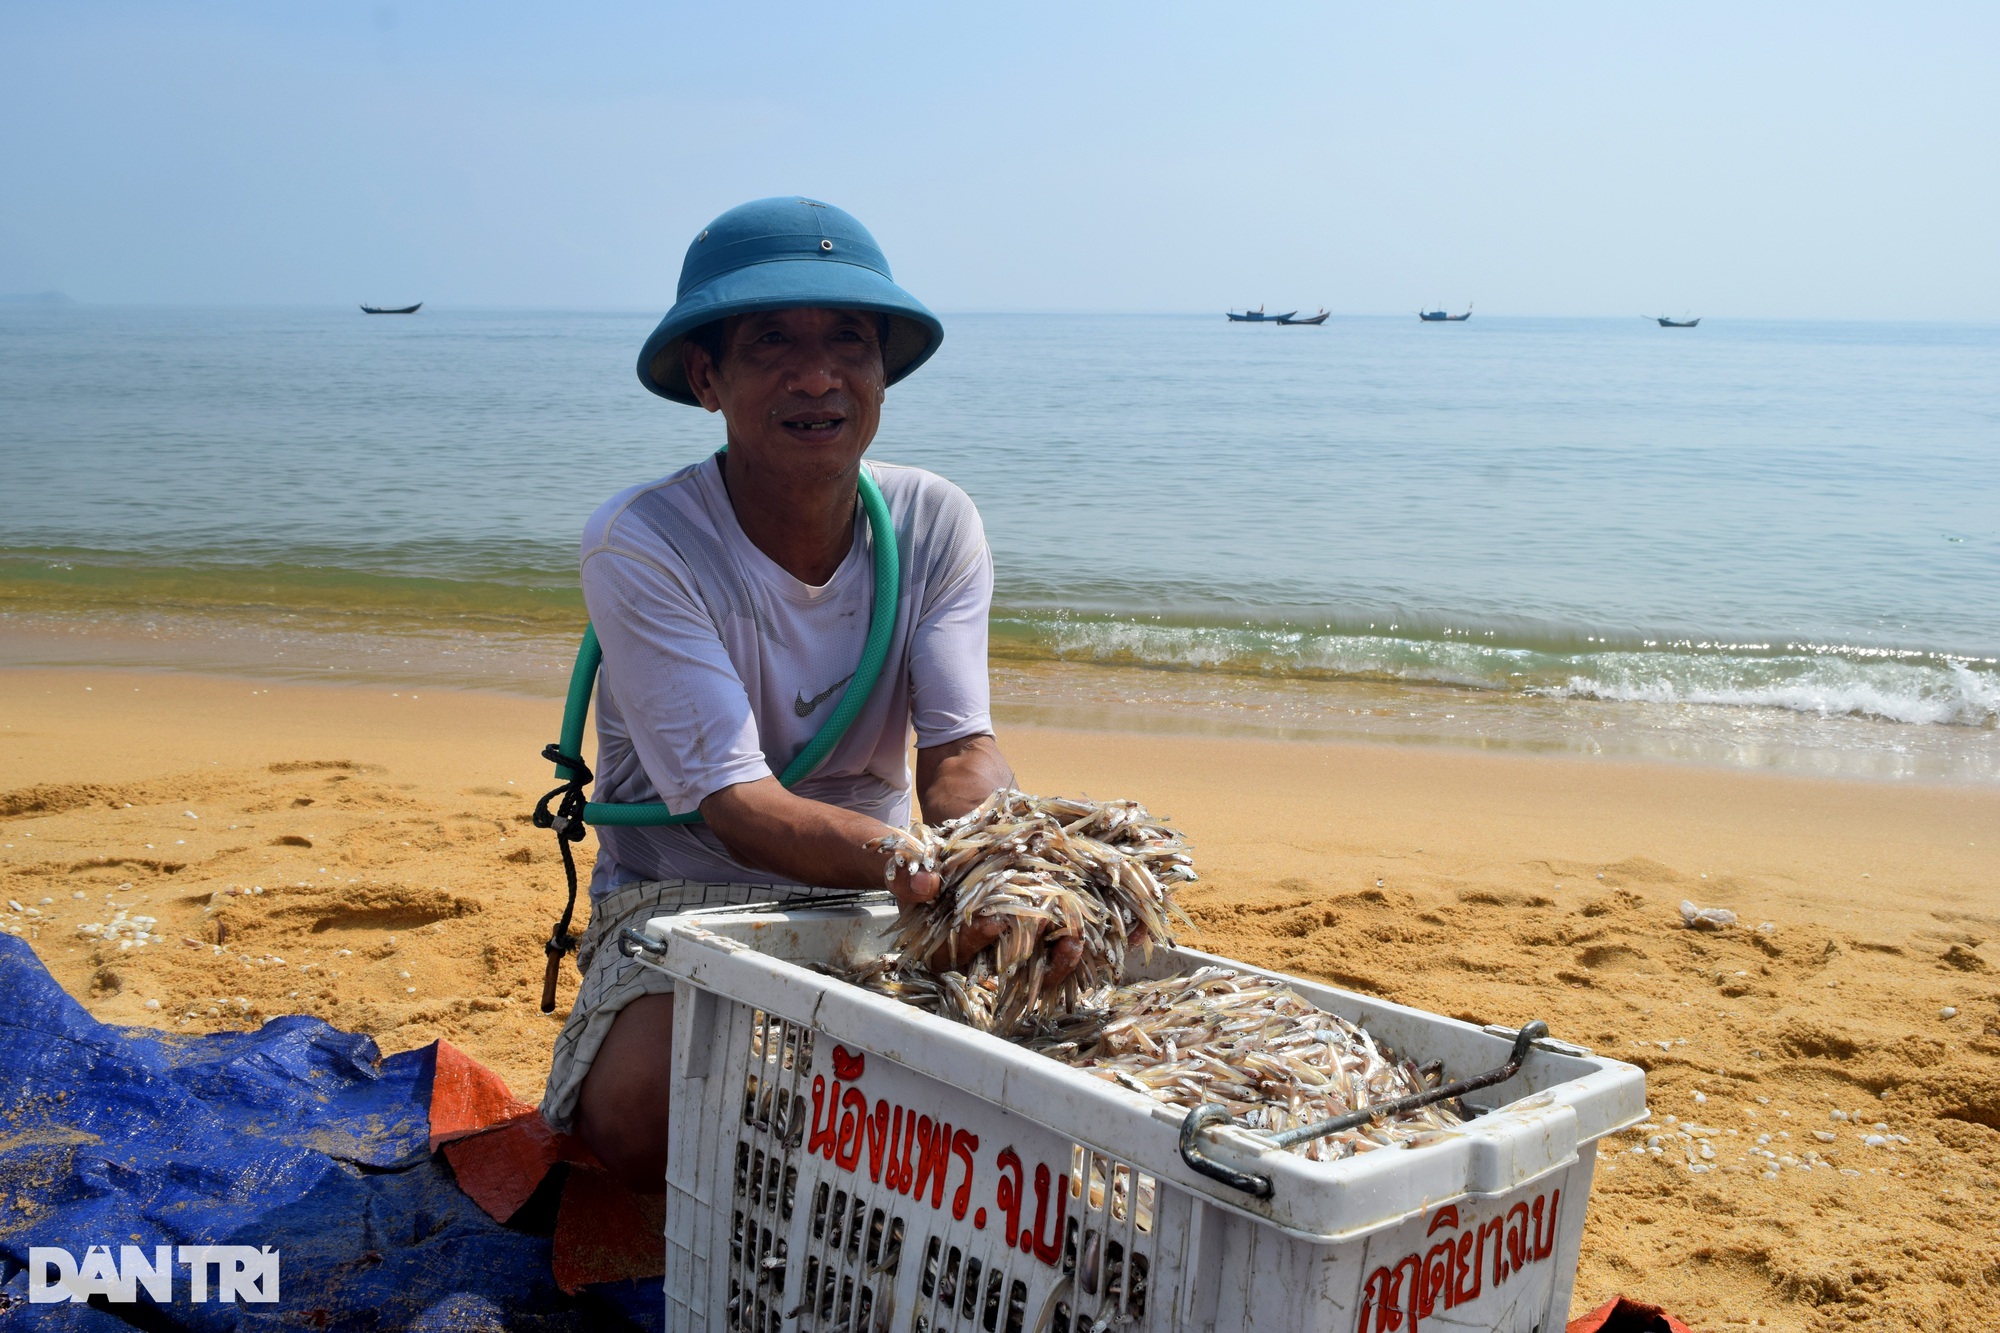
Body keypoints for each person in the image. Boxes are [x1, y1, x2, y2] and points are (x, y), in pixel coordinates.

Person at [538, 197, 1076, 1189]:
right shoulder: (643, 538)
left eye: (849, 342)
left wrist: (1003, 861)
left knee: (1042, 1045)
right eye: (772, 341)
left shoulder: (934, 520)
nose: (817, 375)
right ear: (707, 376)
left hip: (874, 888)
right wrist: (909, 862)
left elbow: (957, 754)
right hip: (683, 895)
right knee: (635, 1118)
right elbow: (734, 806)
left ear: (882, 373)